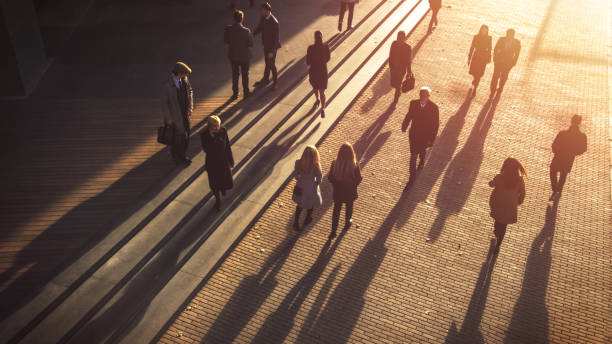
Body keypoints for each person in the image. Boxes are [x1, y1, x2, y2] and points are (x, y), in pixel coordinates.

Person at [401, 86, 440, 184]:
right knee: (413, 156)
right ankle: (412, 177)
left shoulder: (434, 108)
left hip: (425, 136)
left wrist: (432, 139)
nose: (422, 98)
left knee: (422, 151)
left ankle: (422, 160)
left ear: (428, 96)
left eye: (424, 96)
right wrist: (404, 125)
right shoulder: (413, 104)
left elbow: (435, 125)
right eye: (421, 95)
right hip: (414, 135)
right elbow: (409, 115)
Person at [488, 157, 526, 253]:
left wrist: (491, 183)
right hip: (510, 207)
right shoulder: (520, 180)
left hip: (498, 204)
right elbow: (523, 192)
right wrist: (519, 201)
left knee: (497, 223)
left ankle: (497, 234)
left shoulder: (500, 177)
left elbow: (492, 184)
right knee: (503, 225)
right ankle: (499, 243)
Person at [161, 61, 194, 165]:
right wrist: (168, 118)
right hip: (174, 117)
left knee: (187, 135)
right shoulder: (167, 86)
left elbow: (190, 92)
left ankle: (182, 155)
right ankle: (177, 157)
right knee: (176, 138)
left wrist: (190, 107)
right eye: (185, 73)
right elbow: (164, 104)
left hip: (184, 114)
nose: (186, 76)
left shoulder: (184, 81)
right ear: (179, 73)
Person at [328, 143, 362, 239]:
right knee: (349, 206)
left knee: (336, 209)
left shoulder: (335, 163)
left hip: (338, 190)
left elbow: (330, 177)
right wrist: (353, 185)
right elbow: (358, 178)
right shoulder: (354, 164)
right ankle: (347, 221)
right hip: (349, 190)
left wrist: (336, 183)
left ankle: (333, 230)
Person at [549, 115, 587, 200]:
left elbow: (554, 144)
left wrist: (555, 150)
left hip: (559, 155)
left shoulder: (563, 133)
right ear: (579, 123)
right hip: (569, 157)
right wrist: (574, 153)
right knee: (563, 173)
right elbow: (584, 148)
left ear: (571, 121)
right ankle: (558, 190)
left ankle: (555, 189)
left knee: (553, 171)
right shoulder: (582, 136)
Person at [200, 115, 235, 211]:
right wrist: (212, 137)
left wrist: (231, 160)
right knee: (214, 183)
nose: (217, 128)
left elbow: (227, 146)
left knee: (223, 179)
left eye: (218, 126)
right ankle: (218, 201)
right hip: (212, 163)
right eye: (215, 127)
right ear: (210, 127)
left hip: (223, 161)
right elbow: (207, 150)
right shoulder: (204, 135)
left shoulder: (223, 131)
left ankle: (222, 188)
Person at [292, 145, 323, 230]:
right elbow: (319, 177)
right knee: (311, 204)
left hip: (301, 185)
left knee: (300, 204)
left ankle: (296, 222)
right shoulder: (316, 165)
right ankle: (307, 219)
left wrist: (300, 179)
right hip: (311, 187)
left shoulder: (298, 162)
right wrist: (317, 183)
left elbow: (295, 174)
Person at [225, 9, 253, 99]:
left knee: (235, 74)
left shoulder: (228, 29)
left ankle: (235, 93)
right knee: (245, 74)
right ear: (242, 19)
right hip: (245, 56)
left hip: (233, 55)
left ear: (234, 18)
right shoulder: (246, 31)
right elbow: (250, 43)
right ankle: (246, 92)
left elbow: (226, 41)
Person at [253, 2, 280, 89]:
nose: (260, 12)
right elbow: (260, 27)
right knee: (267, 63)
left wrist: (272, 51)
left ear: (267, 10)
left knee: (271, 64)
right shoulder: (263, 17)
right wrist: (252, 34)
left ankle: (275, 83)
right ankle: (266, 79)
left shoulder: (274, 22)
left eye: (262, 10)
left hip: (272, 47)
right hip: (266, 45)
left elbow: (276, 39)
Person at [307, 31, 331, 118]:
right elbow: (328, 58)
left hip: (314, 71)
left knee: (315, 87)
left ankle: (317, 99)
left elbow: (308, 61)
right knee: (322, 91)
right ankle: (323, 108)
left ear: (315, 38)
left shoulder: (310, 48)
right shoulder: (326, 47)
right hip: (323, 71)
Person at [490, 29, 521, 96]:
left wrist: (514, 62)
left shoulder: (517, 42)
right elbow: (495, 49)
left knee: (504, 76)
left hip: (508, 63)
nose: (509, 36)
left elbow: (517, 54)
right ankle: (492, 91)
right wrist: (495, 57)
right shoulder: (501, 39)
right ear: (506, 34)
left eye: (511, 35)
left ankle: (501, 87)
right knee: (495, 76)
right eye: (508, 34)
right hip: (499, 62)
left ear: (513, 35)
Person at [389, 30, 412, 105]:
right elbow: (391, 54)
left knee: (398, 84)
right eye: (398, 38)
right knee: (393, 83)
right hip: (393, 68)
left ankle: (395, 100)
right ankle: (398, 91)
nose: (400, 40)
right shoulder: (394, 44)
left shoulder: (408, 48)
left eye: (401, 38)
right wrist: (391, 65)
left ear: (405, 38)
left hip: (401, 69)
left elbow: (408, 60)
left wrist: (409, 71)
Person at [467, 24, 492, 91]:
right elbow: (472, 47)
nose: (483, 32)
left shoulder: (489, 38)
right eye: (482, 30)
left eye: (485, 31)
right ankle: (475, 79)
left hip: (483, 56)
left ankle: (476, 83)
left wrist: (489, 57)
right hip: (476, 55)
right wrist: (469, 57)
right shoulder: (476, 37)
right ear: (480, 30)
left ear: (487, 31)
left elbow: (490, 48)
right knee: (474, 71)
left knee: (480, 72)